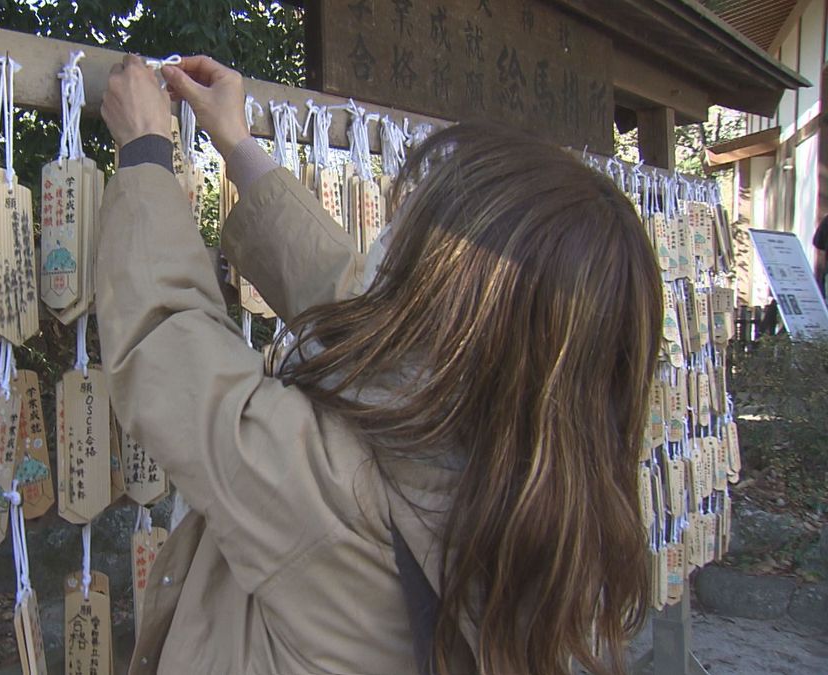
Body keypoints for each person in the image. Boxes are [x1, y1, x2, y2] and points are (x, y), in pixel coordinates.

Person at [97, 54, 661, 675]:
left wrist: (146, 153)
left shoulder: (341, 490)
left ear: (448, 311)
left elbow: (167, 349)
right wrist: (237, 146)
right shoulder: (546, 482)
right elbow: (358, 301)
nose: (388, 245)